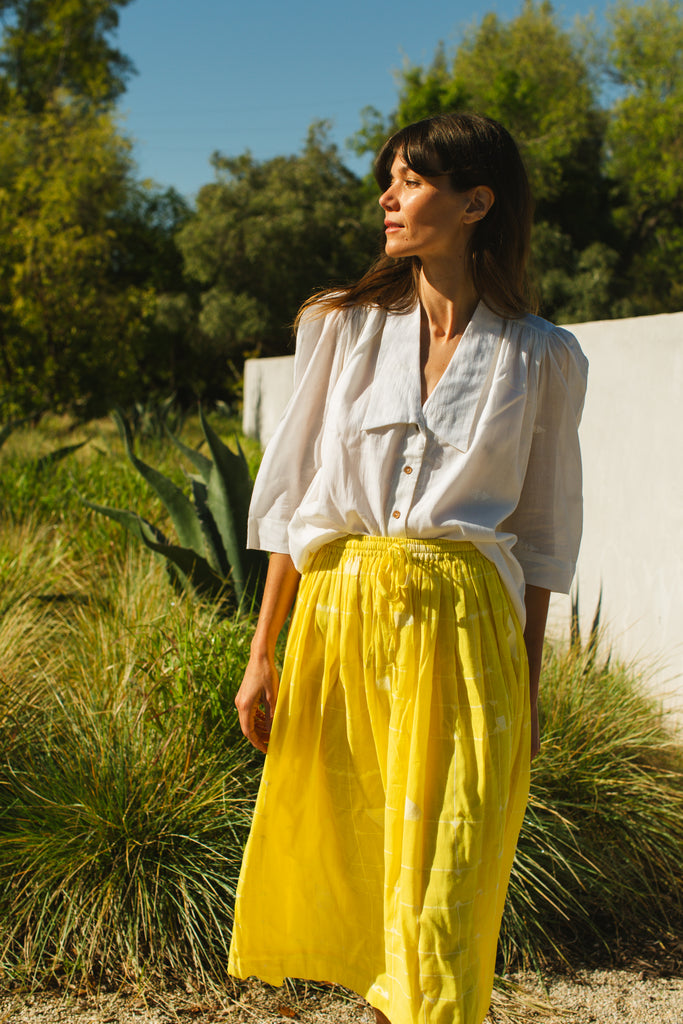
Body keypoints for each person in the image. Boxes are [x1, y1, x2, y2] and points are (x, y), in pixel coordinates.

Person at [228, 112, 588, 1024]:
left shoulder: (541, 355)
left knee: (445, 900)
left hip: (467, 640)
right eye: (387, 178)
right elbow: (296, 501)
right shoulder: (340, 328)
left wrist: (531, 688)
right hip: (340, 624)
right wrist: (262, 650)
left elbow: (541, 535)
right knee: (361, 883)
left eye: (412, 181)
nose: (388, 198)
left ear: (475, 202)